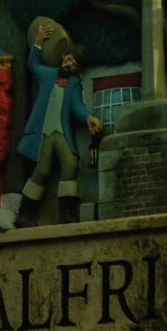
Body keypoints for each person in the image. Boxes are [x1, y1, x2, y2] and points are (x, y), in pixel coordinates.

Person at [14, 17, 104, 226]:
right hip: (44, 132)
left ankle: (67, 212)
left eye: (75, 65)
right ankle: (25, 213)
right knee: (42, 170)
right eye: (69, 59)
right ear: (64, 56)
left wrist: (88, 117)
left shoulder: (74, 84)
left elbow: (77, 106)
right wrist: (37, 42)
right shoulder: (48, 74)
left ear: (78, 69)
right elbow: (33, 65)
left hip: (62, 132)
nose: (70, 64)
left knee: (71, 165)